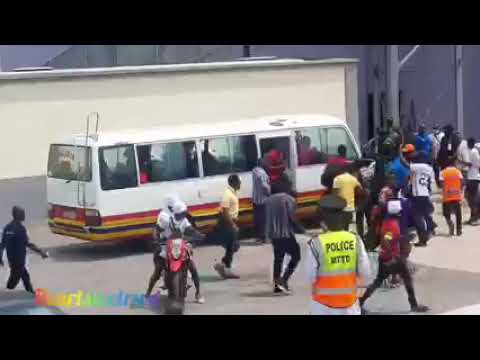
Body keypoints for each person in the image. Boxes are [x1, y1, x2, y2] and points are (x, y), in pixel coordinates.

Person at [360, 199, 430, 313]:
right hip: (392, 259)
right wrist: (391, 257)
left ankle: (360, 302)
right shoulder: (392, 225)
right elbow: (386, 240)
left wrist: (401, 238)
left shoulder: (388, 222)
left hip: (385, 258)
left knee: (377, 282)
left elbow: (390, 238)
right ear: (398, 213)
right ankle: (414, 305)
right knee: (407, 279)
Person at [306, 194, 372, 315]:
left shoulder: (316, 244)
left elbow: (311, 276)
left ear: (323, 222)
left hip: (322, 306)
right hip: (349, 305)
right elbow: (366, 272)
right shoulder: (355, 240)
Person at [146, 197, 205, 304]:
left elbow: (190, 230)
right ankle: (147, 294)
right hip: (166, 246)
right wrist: (156, 239)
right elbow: (156, 230)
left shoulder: (185, 221)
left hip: (181, 245)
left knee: (192, 267)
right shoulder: (167, 220)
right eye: (181, 213)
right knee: (157, 270)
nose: (183, 215)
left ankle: (198, 292)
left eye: (184, 213)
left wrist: (199, 235)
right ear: (176, 213)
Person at [265, 174, 305, 294]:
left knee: (278, 258)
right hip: (286, 233)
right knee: (296, 256)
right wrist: (302, 229)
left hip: (273, 234)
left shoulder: (268, 200)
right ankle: (284, 279)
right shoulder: (289, 199)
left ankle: (277, 284)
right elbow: (292, 217)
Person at [0, 206, 49, 294]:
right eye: (22, 213)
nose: (24, 215)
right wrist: (40, 252)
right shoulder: (20, 229)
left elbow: (2, 244)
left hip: (12, 260)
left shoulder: (7, 227)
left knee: (25, 277)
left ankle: (30, 292)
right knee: (12, 283)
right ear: (17, 215)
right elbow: (28, 244)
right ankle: (5, 296)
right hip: (18, 261)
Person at [401, 150, 437, 247]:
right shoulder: (429, 168)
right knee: (423, 215)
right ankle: (429, 229)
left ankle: (423, 239)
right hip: (424, 194)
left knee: (417, 217)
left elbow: (404, 164)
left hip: (418, 195)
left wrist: (398, 152)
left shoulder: (418, 166)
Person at [213, 174, 241, 279]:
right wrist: (233, 224)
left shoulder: (232, 193)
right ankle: (225, 267)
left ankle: (223, 266)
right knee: (232, 246)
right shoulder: (227, 194)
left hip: (231, 221)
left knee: (232, 246)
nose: (240, 184)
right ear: (234, 182)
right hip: (227, 223)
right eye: (239, 182)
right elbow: (224, 211)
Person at [332, 163, 365, 230]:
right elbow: (361, 192)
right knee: (349, 226)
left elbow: (335, 194)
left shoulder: (337, 179)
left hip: (341, 208)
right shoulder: (353, 179)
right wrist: (358, 205)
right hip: (351, 208)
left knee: (341, 226)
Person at [439, 159, 464, 236]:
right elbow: (462, 182)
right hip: (456, 195)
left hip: (447, 195)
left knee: (446, 213)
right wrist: (460, 190)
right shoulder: (458, 171)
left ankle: (450, 223)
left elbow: (441, 184)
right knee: (458, 213)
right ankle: (459, 230)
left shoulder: (443, 172)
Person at [252, 158, 271, 245]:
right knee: (265, 219)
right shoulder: (262, 173)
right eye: (266, 163)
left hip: (256, 199)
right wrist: (269, 193)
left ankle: (258, 237)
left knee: (258, 219)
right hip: (263, 200)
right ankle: (266, 239)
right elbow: (264, 186)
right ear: (262, 164)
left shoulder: (254, 171)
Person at [462, 138, 480, 225]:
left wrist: (467, 164)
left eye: (468, 143)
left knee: (473, 199)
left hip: (474, 177)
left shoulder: (474, 152)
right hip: (470, 177)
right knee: (468, 196)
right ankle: (473, 217)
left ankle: (475, 218)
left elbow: (478, 163)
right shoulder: (471, 151)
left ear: (471, 143)